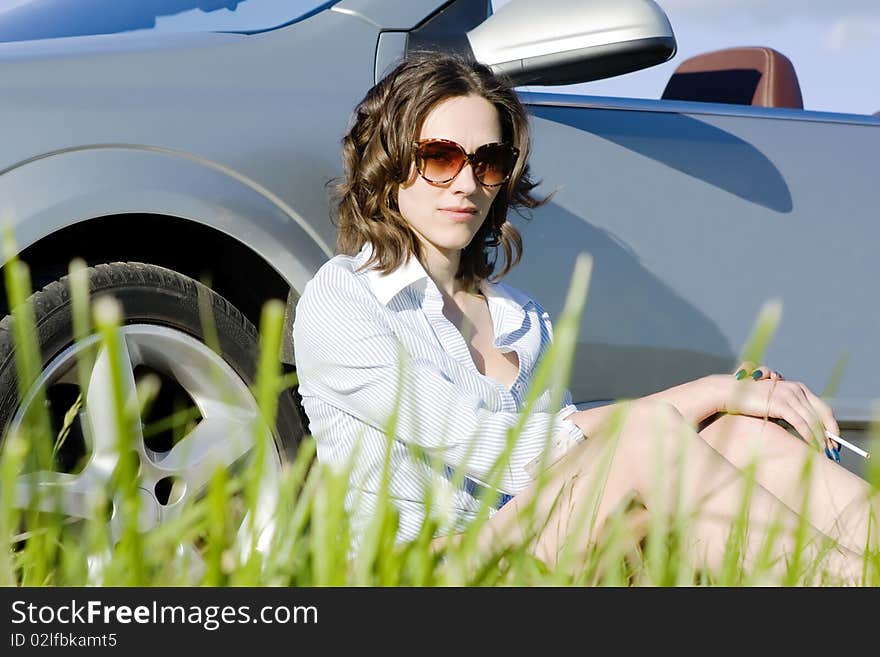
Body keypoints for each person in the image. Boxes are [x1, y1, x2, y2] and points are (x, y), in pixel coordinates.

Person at [292, 52, 877, 582]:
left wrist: (728, 407)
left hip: (535, 550)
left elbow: (572, 442)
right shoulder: (346, 299)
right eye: (439, 157)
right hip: (427, 571)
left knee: (741, 437)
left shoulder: (519, 316)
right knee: (650, 435)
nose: (467, 182)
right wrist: (710, 389)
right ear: (387, 165)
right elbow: (512, 455)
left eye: (488, 161)